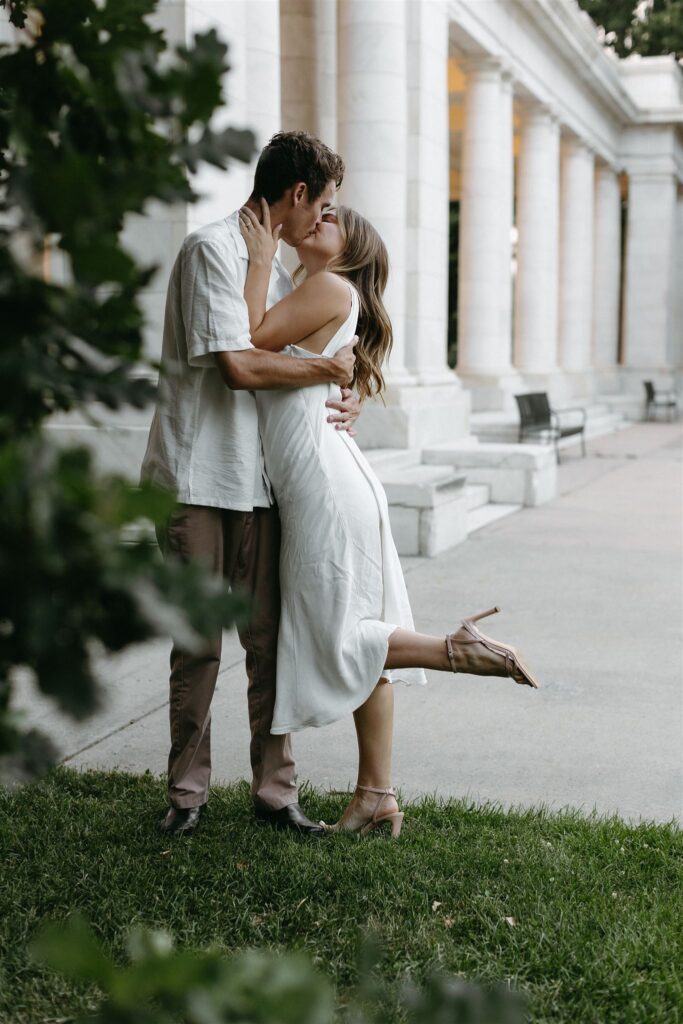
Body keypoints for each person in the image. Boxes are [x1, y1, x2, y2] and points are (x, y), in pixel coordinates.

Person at [237, 201, 540, 838]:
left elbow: (248, 342)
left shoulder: (327, 285)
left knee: (337, 631)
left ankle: (452, 650)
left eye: (334, 217)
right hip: (337, 475)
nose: (320, 217)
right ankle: (376, 795)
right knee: (362, 628)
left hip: (322, 484)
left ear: (351, 248)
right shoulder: (327, 291)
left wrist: (260, 260)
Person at [141, 131, 360, 838]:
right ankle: (187, 796)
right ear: (295, 195)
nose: (325, 217)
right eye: (323, 203)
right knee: (199, 645)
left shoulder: (282, 275)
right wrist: (327, 372)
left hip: (260, 482)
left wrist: (340, 396)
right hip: (198, 477)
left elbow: (285, 370)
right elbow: (239, 366)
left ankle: (275, 792)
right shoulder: (213, 250)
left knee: (268, 642)